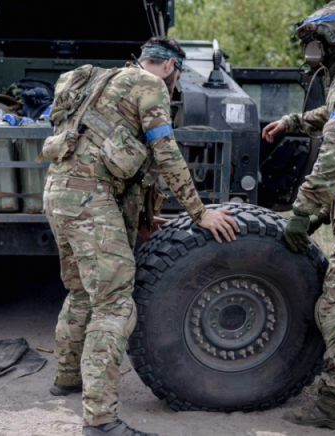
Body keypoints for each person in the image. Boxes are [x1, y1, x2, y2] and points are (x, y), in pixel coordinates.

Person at [43, 36, 239, 436]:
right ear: (169, 66)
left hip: (58, 194)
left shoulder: (104, 81)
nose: (174, 83)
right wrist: (200, 213)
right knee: (114, 305)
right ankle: (100, 420)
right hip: (90, 200)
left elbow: (127, 166)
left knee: (81, 292)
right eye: (177, 74)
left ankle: (66, 379)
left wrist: (146, 218)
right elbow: (165, 152)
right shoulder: (150, 86)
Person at [262, 1, 335, 429]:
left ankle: (334, 407)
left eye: (312, 41)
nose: (309, 50)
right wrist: (293, 121)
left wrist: (303, 210)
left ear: (331, 40)